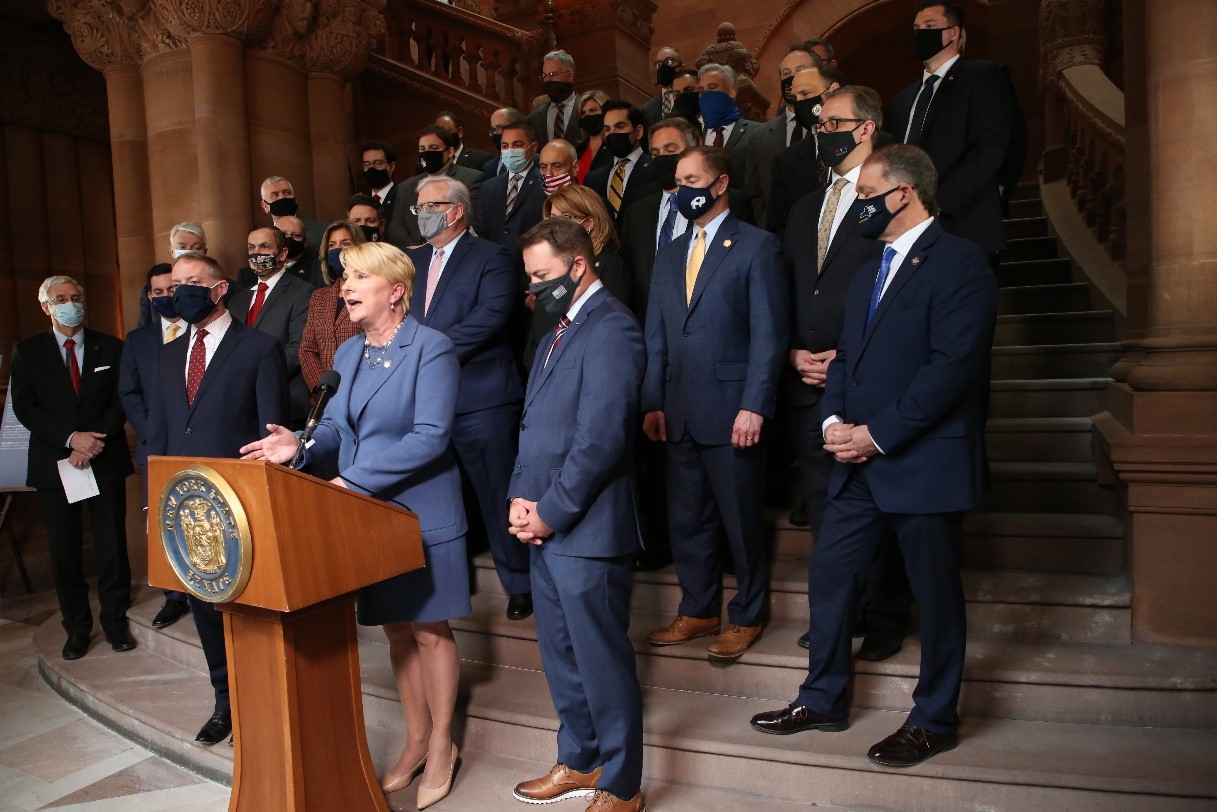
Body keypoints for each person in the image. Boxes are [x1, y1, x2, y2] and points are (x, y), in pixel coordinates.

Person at [749, 144, 997, 768]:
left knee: (935, 597)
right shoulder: (867, 270)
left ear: (906, 192)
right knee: (831, 576)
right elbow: (844, 359)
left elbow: (951, 370)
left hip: (922, 461)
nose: (858, 207)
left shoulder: (961, 263)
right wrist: (835, 419)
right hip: (855, 461)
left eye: (866, 196)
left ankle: (934, 717)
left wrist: (876, 434)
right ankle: (823, 697)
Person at [241, 241, 470, 810]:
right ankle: (415, 739)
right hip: (366, 517)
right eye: (344, 274)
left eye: (360, 275)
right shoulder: (347, 354)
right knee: (395, 629)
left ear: (395, 291)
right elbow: (338, 431)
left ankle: (443, 743)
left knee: (429, 630)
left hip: (421, 512)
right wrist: (300, 442)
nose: (346, 285)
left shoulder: (431, 348)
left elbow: (429, 435)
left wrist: (353, 481)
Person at [509, 218, 646, 812]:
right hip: (544, 524)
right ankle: (581, 758)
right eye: (530, 277)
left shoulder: (612, 328)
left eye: (543, 275)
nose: (534, 289)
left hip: (588, 527)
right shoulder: (554, 333)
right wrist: (520, 498)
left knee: (601, 661)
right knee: (562, 657)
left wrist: (552, 512)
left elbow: (601, 440)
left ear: (579, 264)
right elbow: (533, 426)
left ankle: (622, 784)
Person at [642, 146, 787, 663]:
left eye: (692, 179)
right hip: (677, 410)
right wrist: (651, 400)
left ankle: (746, 614)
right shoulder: (668, 253)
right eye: (677, 182)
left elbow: (769, 336)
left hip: (732, 412)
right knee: (687, 519)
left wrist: (756, 405)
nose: (682, 190)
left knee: (741, 522)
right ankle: (699, 608)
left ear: (721, 183)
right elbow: (656, 335)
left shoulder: (756, 246)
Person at [784, 86, 911, 659]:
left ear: (865, 128)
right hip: (806, 380)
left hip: (867, 377)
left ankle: (885, 615)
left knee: (878, 501)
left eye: (833, 120)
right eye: (818, 121)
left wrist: (848, 354)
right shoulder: (804, 206)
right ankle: (840, 611)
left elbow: (898, 287)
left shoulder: (887, 199)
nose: (821, 128)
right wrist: (790, 351)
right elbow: (790, 287)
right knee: (824, 500)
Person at [143, 252, 290, 747]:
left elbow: (271, 436)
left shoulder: (259, 348)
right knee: (204, 609)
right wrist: (155, 502)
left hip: (240, 504)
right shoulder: (165, 354)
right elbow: (160, 433)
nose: (180, 292)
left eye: (191, 282)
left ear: (219, 288)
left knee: (251, 606)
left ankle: (265, 699)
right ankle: (225, 702)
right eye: (174, 284)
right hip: (187, 505)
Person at [404, 176, 530, 620]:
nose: (420, 215)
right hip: (427, 403)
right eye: (418, 208)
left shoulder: (492, 256)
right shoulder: (412, 262)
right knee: (440, 497)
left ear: (456, 210)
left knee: (498, 493)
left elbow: (490, 317)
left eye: (429, 206)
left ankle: (519, 583)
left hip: (482, 400)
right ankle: (451, 583)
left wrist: (424, 354)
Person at [10, 276, 134, 661]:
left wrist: (93, 440)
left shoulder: (111, 346)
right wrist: (70, 439)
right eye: (61, 299)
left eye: (76, 297)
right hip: (56, 463)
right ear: (46, 306)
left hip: (104, 457)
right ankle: (77, 629)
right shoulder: (27, 351)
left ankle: (116, 623)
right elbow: (25, 407)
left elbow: (122, 398)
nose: (70, 304)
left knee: (112, 544)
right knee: (64, 550)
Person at [886, 0, 1012, 257]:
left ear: (954, 32)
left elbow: (988, 148)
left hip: (963, 228)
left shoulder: (982, 76)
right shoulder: (903, 98)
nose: (921, 33)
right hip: (908, 233)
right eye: (917, 28)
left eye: (930, 26)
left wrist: (936, 203)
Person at [618, 117, 755, 322]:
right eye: (655, 153)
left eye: (670, 150)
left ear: (694, 148)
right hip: (649, 326)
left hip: (711, 324)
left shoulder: (731, 200)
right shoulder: (635, 211)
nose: (661, 158)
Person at [117, 263, 191, 630]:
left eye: (171, 289)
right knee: (164, 521)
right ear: (149, 296)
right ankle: (174, 597)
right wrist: (156, 433)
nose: (165, 296)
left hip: (198, 443)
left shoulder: (201, 331)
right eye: (158, 292)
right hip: (156, 447)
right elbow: (129, 392)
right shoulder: (137, 340)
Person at [526, 185, 629, 370]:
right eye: (551, 219)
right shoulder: (552, 266)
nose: (554, 227)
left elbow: (607, 327)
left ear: (588, 223)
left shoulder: (609, 264)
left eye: (565, 218)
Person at [230, 226, 314, 428]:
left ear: (282, 253)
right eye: (251, 248)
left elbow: (297, 349)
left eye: (264, 246)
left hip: (284, 401)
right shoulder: (237, 301)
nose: (256, 253)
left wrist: (257, 380)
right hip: (241, 405)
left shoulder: (303, 292)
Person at [745, 44, 821, 230]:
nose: (792, 78)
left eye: (800, 70)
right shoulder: (759, 137)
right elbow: (754, 195)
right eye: (786, 74)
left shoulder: (831, 126)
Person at [766, 63, 845, 237]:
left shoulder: (875, 146)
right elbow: (778, 227)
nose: (801, 103)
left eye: (806, 94)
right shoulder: (785, 161)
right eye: (796, 98)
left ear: (833, 90)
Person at [387, 125, 485, 249]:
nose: (427, 153)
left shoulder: (471, 180)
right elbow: (396, 228)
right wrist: (421, 250)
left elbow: (470, 221)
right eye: (422, 149)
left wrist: (431, 247)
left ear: (450, 152)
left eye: (433, 148)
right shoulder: (406, 187)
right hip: (415, 257)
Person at [298, 220, 366, 393]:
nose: (338, 250)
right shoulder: (319, 297)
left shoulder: (370, 293)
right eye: (332, 245)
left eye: (345, 243)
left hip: (362, 390)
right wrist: (322, 387)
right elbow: (307, 349)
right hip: (324, 398)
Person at [470, 121, 545, 265]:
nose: (510, 151)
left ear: (533, 147)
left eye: (517, 145)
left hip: (531, 269)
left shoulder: (544, 184)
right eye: (505, 146)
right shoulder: (488, 187)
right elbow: (480, 233)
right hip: (494, 269)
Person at [583, 99, 656, 222]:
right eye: (607, 129)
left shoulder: (655, 167)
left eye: (620, 127)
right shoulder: (593, 179)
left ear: (638, 131)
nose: (613, 134)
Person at [527, 50, 581, 146]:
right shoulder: (534, 119)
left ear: (570, 76)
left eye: (553, 74)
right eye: (545, 76)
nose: (548, 80)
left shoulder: (586, 110)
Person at [257, 175, 325, 247]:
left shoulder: (322, 232)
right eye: (274, 195)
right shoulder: (261, 239)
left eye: (287, 193)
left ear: (295, 200)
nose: (282, 197)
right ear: (265, 206)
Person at [573, 90, 611, 183]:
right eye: (583, 113)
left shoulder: (614, 146)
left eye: (593, 110)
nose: (587, 116)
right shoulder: (576, 151)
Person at [641, 46, 684, 126]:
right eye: (658, 64)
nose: (663, 67)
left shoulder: (692, 98)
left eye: (669, 61)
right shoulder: (646, 110)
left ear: (682, 67)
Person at [361, 141, 401, 227]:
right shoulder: (362, 202)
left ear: (391, 167)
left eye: (378, 163)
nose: (371, 168)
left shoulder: (402, 196)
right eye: (367, 164)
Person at [484, 107, 525, 177]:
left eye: (499, 128)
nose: (496, 133)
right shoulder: (489, 167)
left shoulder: (540, 163)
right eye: (493, 130)